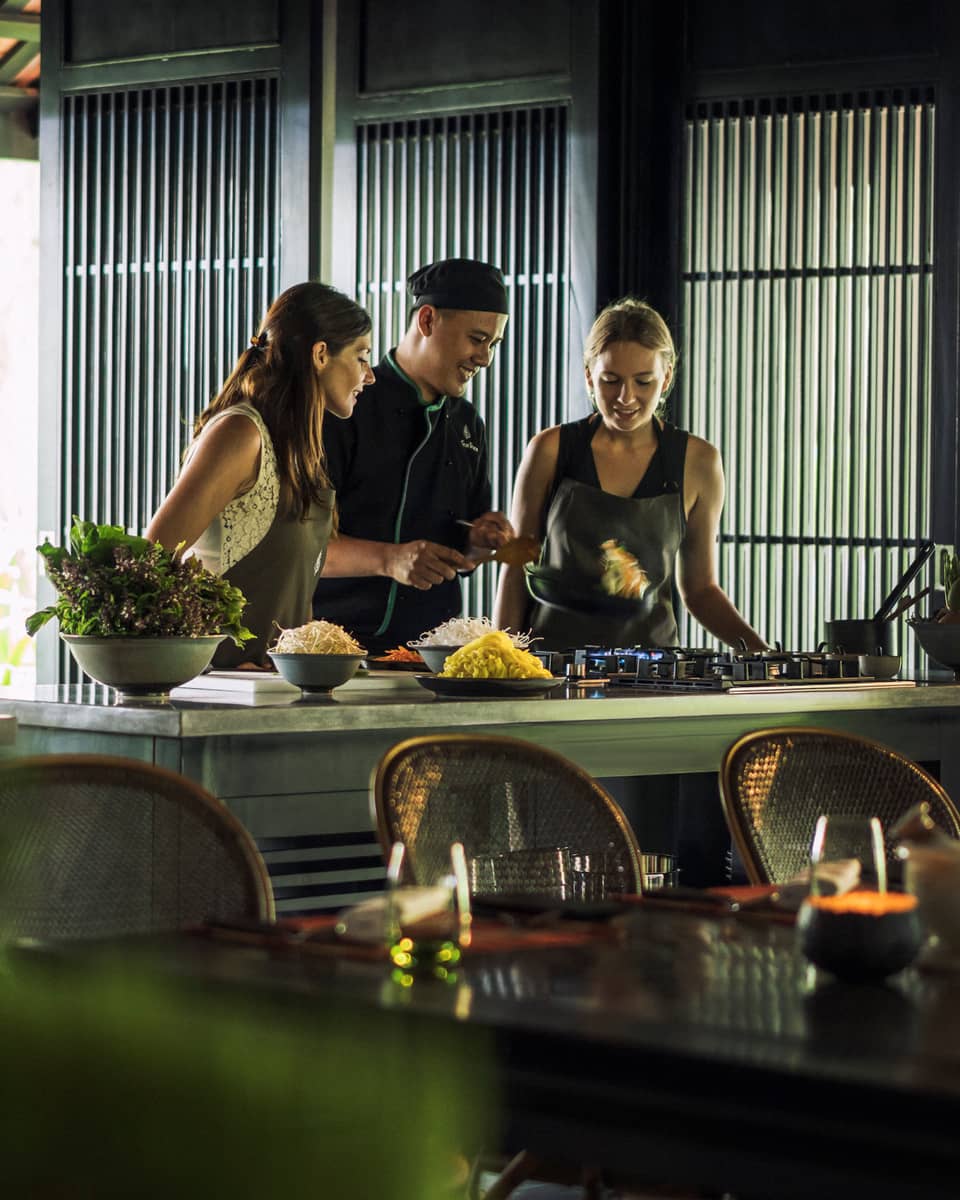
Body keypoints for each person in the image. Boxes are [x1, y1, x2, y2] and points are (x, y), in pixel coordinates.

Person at [493, 296, 768, 653]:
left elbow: (700, 590)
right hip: (553, 666)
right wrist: (502, 661)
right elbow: (516, 566)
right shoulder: (550, 449)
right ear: (589, 376)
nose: (626, 397)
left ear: (666, 378)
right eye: (611, 380)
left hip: (656, 669)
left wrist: (765, 656)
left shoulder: (698, 462)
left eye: (643, 381)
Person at [146, 281, 374, 668]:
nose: (369, 376)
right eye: (361, 357)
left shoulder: (300, 449)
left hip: (278, 686)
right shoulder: (241, 434)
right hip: (217, 689)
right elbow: (150, 559)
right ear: (321, 354)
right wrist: (213, 661)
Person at [312, 258, 514, 655]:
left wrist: (479, 543)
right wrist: (390, 559)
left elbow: (464, 548)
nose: (485, 358)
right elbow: (303, 548)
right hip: (334, 647)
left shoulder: (468, 424)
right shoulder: (348, 405)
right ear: (427, 320)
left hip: (431, 653)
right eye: (477, 339)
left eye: (493, 345)